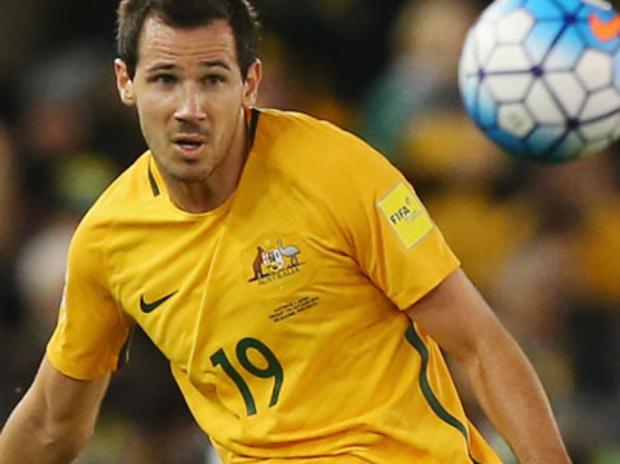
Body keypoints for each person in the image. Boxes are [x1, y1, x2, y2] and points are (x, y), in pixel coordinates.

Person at [0, 0, 572, 463]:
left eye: (214, 79)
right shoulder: (108, 239)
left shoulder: (338, 171)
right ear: (127, 83)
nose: (190, 107)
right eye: (166, 79)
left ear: (251, 83)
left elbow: (478, 343)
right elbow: (53, 423)